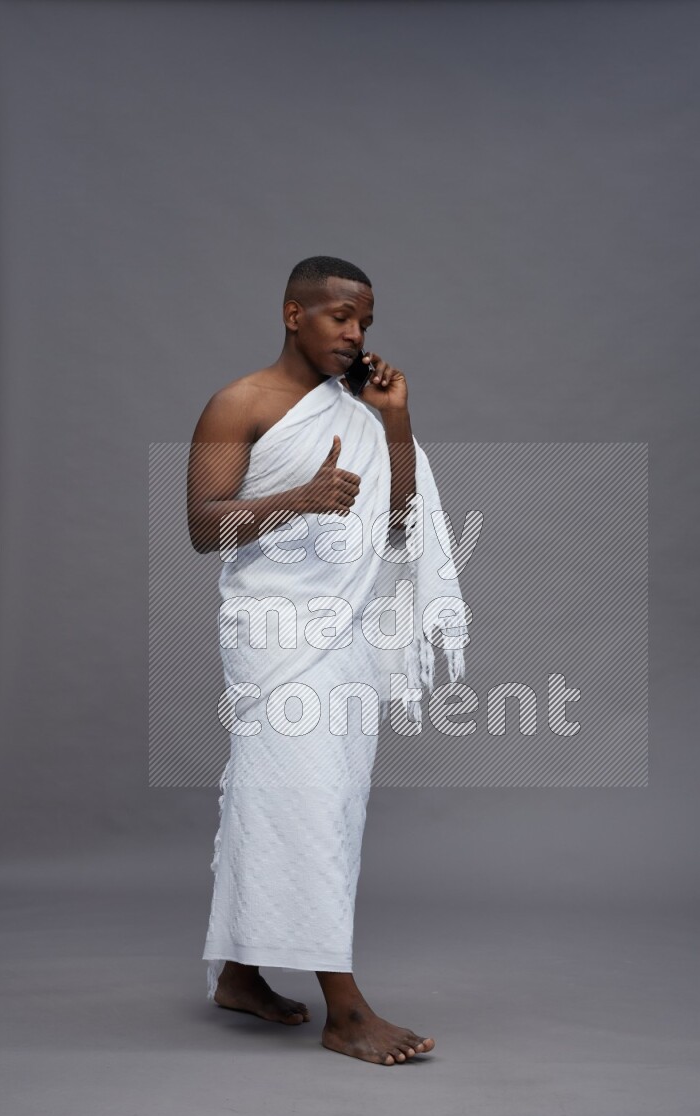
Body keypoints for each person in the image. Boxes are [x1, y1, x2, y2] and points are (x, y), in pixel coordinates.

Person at [187, 255, 466, 1065]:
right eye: (341, 316)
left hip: (343, 633)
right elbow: (205, 528)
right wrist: (295, 499)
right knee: (305, 802)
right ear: (292, 314)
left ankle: (240, 971)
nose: (355, 334)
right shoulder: (238, 404)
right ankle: (343, 1009)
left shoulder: (362, 409)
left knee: (318, 800)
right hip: (275, 632)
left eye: (366, 321)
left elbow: (399, 520)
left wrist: (396, 421)